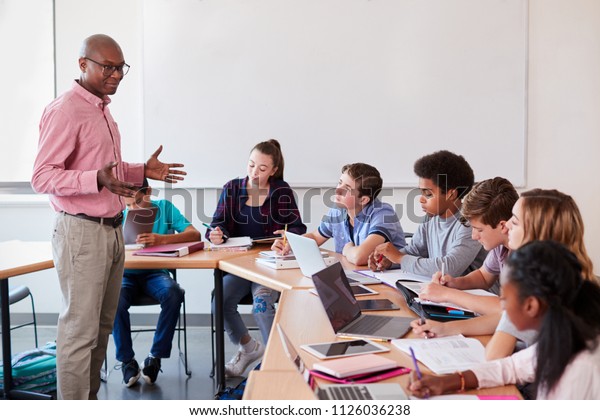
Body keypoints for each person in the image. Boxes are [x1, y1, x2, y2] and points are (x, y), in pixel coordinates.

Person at [31, 34, 185, 399]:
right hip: (81, 232)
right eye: (108, 67)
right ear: (83, 64)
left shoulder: (101, 107)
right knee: (79, 332)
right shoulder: (65, 109)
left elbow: (107, 172)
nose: (116, 74)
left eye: (120, 68)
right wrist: (94, 179)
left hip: (112, 231)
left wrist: (141, 170)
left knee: (101, 329)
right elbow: (42, 177)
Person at [411, 189, 596, 361]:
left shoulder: (542, 286)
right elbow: (506, 317)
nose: (506, 226)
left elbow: (496, 349)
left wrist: (448, 298)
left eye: (514, 221)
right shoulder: (554, 275)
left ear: (535, 234)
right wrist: (446, 328)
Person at [409, 240, 600, 400]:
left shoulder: (580, 369)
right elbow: (512, 367)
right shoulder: (562, 334)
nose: (501, 306)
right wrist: (445, 382)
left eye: (505, 299)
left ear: (531, 306)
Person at [207, 139, 306, 377]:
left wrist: (286, 237)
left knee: (262, 306)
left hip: (269, 265)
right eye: (251, 165)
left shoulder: (282, 191)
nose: (254, 172)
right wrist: (216, 234)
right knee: (219, 301)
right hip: (240, 264)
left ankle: (279, 360)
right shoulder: (232, 188)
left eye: (262, 169)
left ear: (273, 170)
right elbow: (217, 225)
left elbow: (298, 229)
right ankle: (249, 348)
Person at [113, 179, 200, 387]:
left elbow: (194, 234)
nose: (133, 209)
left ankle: (155, 357)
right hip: (125, 274)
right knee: (113, 299)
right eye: (128, 205)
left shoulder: (165, 208)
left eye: (137, 203)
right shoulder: (115, 212)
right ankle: (127, 360)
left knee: (174, 293)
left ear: (149, 192)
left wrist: (162, 239)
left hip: (155, 273)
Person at [368, 150, 487, 277]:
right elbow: (414, 251)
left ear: (451, 194)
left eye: (428, 194)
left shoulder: (470, 223)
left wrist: (399, 259)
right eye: (421, 192)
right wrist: (388, 260)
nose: (421, 199)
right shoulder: (431, 218)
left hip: (473, 293)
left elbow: (450, 267)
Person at [416, 177, 519, 315]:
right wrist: (455, 283)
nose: (474, 236)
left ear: (502, 226)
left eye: (479, 230)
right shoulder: (501, 246)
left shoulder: (526, 255)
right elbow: (483, 277)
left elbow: (509, 309)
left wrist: (447, 294)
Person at [272, 162, 406, 265]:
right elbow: (315, 236)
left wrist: (347, 249)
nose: (338, 190)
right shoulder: (338, 210)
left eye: (346, 189)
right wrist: (292, 244)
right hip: (353, 273)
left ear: (364, 199)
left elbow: (359, 257)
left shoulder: (383, 214)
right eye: (340, 183)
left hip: (387, 280)